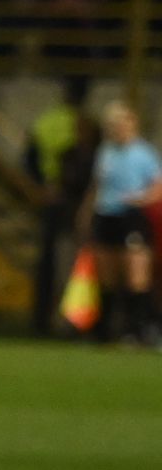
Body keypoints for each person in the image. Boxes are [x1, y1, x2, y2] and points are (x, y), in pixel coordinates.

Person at [75, 98, 162, 345]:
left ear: (132, 123)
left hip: (131, 216)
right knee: (107, 276)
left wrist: (141, 199)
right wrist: (85, 213)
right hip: (106, 215)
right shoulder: (106, 151)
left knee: (136, 273)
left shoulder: (143, 153)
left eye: (120, 123)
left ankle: (140, 330)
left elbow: (158, 187)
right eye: (112, 124)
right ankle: (104, 331)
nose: (116, 128)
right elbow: (97, 185)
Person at [24, 77, 94, 337]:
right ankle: (72, 321)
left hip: (52, 200)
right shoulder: (86, 125)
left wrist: (42, 186)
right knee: (72, 265)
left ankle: (42, 319)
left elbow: (29, 158)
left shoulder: (46, 121)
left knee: (48, 262)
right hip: (74, 205)